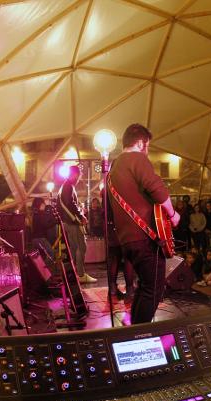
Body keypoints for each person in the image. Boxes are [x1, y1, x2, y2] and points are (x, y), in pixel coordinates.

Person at [107, 123, 181, 324]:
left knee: (145, 286)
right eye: (147, 146)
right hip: (144, 238)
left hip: (127, 241)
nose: (147, 152)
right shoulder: (136, 158)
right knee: (154, 289)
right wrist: (173, 214)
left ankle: (134, 325)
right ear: (140, 143)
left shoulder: (114, 169)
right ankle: (140, 332)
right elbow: (157, 188)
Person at [58, 165, 95, 284]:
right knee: (81, 246)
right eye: (79, 176)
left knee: (74, 248)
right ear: (74, 174)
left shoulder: (65, 186)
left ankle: (75, 274)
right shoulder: (68, 186)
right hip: (72, 222)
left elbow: (69, 204)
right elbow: (70, 205)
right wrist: (80, 216)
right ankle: (80, 274)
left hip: (69, 222)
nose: (79, 178)